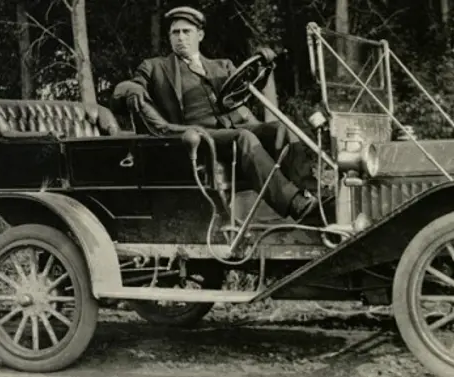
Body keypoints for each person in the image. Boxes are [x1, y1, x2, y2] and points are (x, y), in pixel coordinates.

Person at [122, 6, 318, 221]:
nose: (180, 38)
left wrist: (264, 67)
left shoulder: (222, 66)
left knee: (283, 128)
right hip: (196, 136)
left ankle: (309, 194)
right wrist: (132, 89)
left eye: (186, 32)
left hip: (230, 129)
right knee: (244, 138)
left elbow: (248, 86)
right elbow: (128, 87)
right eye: (175, 33)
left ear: (200, 35)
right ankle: (293, 203)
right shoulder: (155, 67)